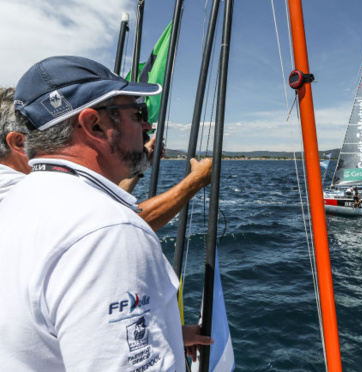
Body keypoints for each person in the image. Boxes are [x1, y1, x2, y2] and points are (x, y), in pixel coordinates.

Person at [0, 56, 211, 371]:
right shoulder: (109, 232)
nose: (147, 125)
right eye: (137, 113)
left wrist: (166, 332)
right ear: (94, 124)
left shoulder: (18, 201)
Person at [0, 86, 211, 232]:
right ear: (19, 143)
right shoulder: (15, 191)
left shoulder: (32, 189)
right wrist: (195, 181)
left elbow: (106, 201)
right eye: (41, 131)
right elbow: (120, 225)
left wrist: (140, 160)